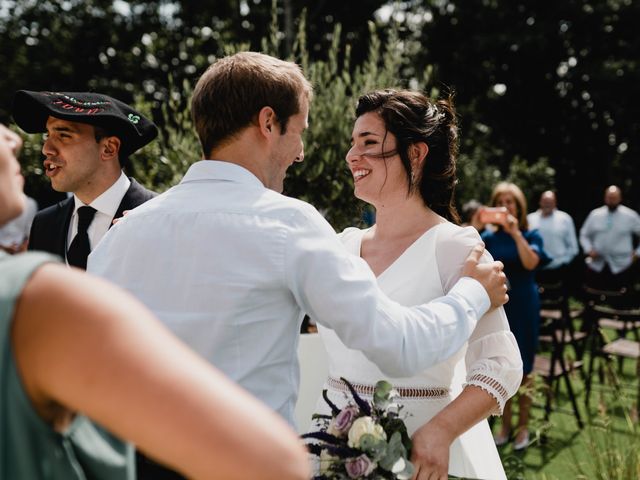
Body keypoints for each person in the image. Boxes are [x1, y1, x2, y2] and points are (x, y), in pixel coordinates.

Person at [88, 51, 508, 448]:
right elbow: (399, 345)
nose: (302, 153)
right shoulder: (287, 224)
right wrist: (472, 293)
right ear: (268, 122)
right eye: (300, 131)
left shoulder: (122, 234)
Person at [0, 124, 311, 480]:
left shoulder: (156, 213)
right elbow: (273, 462)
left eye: (64, 135)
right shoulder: (36, 292)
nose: (15, 139)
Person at [311, 89, 522, 479]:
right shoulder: (340, 246)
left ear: (415, 153)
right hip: (333, 456)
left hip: (421, 463)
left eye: (368, 143)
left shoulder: (455, 246)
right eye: (352, 143)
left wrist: (441, 431)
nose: (351, 156)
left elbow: (501, 364)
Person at [11, 90, 157, 269]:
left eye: (63, 135)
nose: (46, 149)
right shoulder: (44, 224)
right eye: (47, 135)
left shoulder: (158, 218)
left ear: (109, 149)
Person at [481, 182, 551, 451]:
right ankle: (505, 425)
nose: (506, 206)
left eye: (511, 202)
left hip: (523, 305)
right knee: (500, 364)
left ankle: (523, 427)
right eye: (501, 201)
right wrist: (475, 225)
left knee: (525, 369)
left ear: (519, 207)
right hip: (497, 307)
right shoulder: (487, 236)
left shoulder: (531, 233)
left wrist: (515, 233)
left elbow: (532, 262)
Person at [579, 185, 640, 292]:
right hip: (597, 264)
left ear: (620, 198)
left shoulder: (630, 216)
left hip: (622, 265)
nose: (611, 200)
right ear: (605, 197)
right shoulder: (595, 214)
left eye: (614, 197)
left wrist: (637, 253)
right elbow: (584, 234)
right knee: (593, 293)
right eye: (609, 197)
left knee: (619, 298)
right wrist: (589, 249)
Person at [527, 190, 579, 285]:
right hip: (534, 268)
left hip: (558, 269)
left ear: (555, 203)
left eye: (550, 202)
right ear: (540, 202)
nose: (547, 204)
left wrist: (563, 262)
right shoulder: (529, 219)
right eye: (545, 201)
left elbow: (573, 247)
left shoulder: (565, 219)